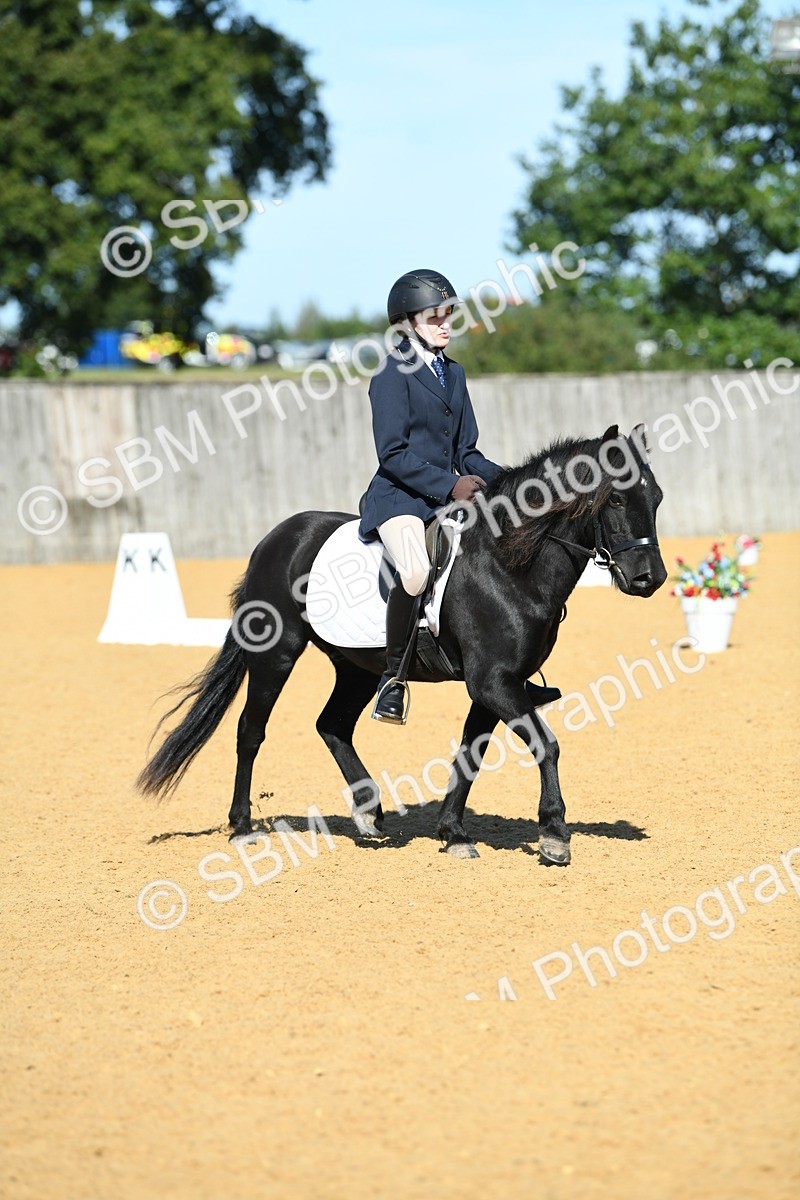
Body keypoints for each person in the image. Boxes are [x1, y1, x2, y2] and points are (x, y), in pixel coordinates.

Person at [358, 269, 503, 724]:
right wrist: (450, 485)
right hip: (399, 499)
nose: (445, 323)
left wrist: (509, 479)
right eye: (434, 316)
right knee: (417, 570)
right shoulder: (390, 374)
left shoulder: (453, 374)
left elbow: (467, 451)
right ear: (407, 323)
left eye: (448, 315)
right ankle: (393, 680)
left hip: (443, 500)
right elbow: (393, 454)